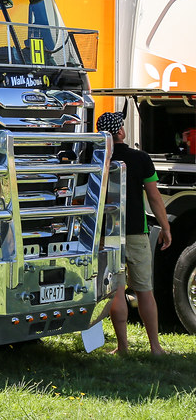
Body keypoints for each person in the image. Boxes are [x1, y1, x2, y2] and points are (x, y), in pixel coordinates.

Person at [97, 111, 172, 356]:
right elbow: (154, 196)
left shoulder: (98, 157)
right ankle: (155, 347)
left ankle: (122, 347)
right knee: (144, 290)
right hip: (137, 233)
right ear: (120, 131)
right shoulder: (141, 158)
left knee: (116, 290)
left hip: (107, 235)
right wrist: (166, 226)